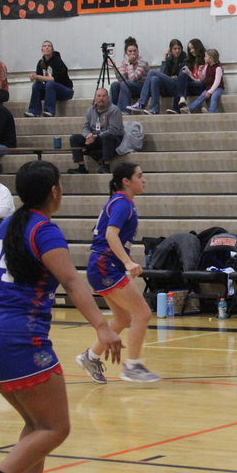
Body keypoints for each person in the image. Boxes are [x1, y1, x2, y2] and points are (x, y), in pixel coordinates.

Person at [0, 160, 122, 473]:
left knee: (37, 425)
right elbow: (71, 281)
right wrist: (102, 327)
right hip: (17, 338)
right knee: (55, 428)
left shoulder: (7, 223)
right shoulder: (44, 230)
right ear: (54, 191)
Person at [75, 163, 160, 384]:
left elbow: (115, 239)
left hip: (103, 264)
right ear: (126, 181)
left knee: (123, 317)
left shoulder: (123, 203)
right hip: (105, 265)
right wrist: (125, 262)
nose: (144, 180)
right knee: (143, 313)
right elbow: (111, 236)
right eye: (140, 176)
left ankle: (90, 357)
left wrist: (129, 260)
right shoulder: (122, 203)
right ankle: (132, 366)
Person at [68, 88, 123, 175]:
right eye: (99, 96)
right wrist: (88, 136)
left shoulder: (114, 110)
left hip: (112, 138)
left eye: (104, 96)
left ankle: (106, 166)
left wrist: (96, 136)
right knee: (74, 138)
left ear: (108, 98)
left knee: (107, 136)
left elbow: (113, 130)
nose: (101, 98)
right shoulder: (90, 110)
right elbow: (85, 127)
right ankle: (81, 167)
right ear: (95, 98)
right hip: (94, 137)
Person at [128, 39, 187, 115]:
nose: (177, 51)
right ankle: (154, 109)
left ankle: (142, 102)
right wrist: (164, 58)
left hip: (177, 86)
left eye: (179, 48)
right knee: (154, 79)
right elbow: (163, 74)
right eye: (175, 49)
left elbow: (181, 76)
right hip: (168, 86)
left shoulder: (185, 59)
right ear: (171, 50)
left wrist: (171, 77)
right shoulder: (169, 59)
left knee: (152, 72)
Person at [25, 40, 73, 118]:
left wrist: (37, 77)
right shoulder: (41, 63)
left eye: (49, 46)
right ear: (42, 50)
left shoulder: (58, 61)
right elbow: (40, 79)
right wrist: (34, 77)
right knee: (36, 85)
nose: (47, 48)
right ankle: (34, 111)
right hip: (50, 91)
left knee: (50, 84)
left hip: (65, 90)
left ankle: (49, 111)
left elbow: (54, 79)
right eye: (44, 46)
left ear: (52, 50)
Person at [109, 37, 150, 113]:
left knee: (126, 84)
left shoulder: (142, 62)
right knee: (115, 85)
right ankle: (111, 111)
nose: (132, 53)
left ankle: (123, 110)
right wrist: (114, 68)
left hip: (141, 87)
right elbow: (121, 79)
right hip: (128, 86)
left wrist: (130, 64)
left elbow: (133, 78)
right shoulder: (124, 62)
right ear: (126, 53)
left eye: (134, 51)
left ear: (137, 51)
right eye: (130, 51)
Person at [167, 38, 207, 114]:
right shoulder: (190, 60)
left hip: (201, 85)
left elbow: (209, 77)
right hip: (192, 85)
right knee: (183, 73)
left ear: (197, 47)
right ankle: (181, 98)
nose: (191, 51)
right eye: (190, 49)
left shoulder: (205, 59)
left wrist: (197, 77)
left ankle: (176, 107)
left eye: (192, 48)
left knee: (180, 83)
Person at [187, 49, 225, 113]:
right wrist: (199, 71)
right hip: (209, 87)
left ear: (211, 58)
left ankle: (211, 112)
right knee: (201, 97)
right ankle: (189, 109)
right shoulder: (207, 67)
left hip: (218, 88)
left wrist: (210, 92)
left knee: (214, 97)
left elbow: (217, 82)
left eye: (206, 56)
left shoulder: (218, 68)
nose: (204, 58)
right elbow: (202, 78)